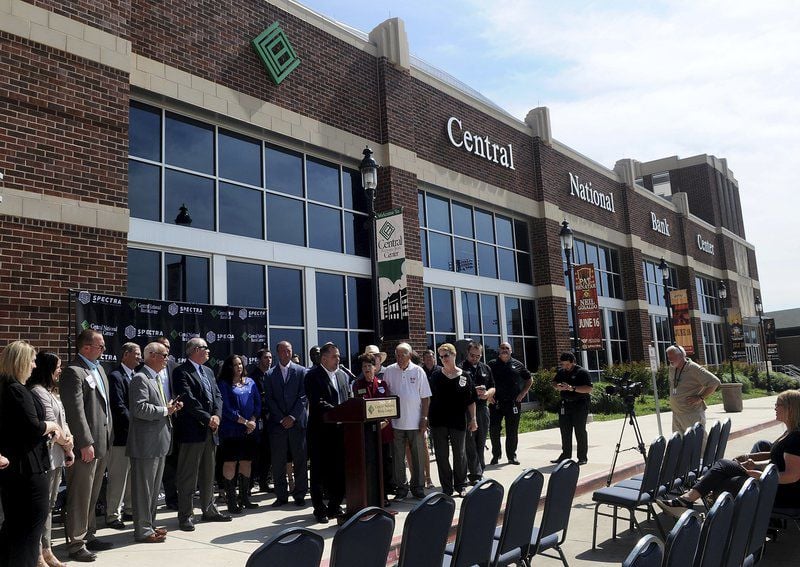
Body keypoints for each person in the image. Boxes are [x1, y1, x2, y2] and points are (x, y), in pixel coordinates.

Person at [658, 389, 800, 516]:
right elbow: (776, 462)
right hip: (775, 487)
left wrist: (759, 475)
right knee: (725, 471)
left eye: (778, 405)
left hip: (782, 495)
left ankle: (689, 499)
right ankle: (690, 499)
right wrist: (755, 464)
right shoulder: (790, 433)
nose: (775, 408)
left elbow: (792, 476)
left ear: (790, 409)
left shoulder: (795, 438)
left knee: (724, 469)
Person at [0, 341, 64, 567]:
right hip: (26, 468)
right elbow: (32, 427)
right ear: (20, 362)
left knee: (16, 527)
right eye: (32, 360)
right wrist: (53, 426)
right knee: (28, 527)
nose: (35, 365)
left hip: (20, 466)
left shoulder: (9, 387)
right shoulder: (16, 390)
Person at [60, 329, 114, 562]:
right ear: (85, 348)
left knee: (93, 493)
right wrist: (84, 442)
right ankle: (76, 543)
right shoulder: (73, 372)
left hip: (103, 442)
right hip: (87, 444)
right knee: (80, 494)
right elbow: (75, 411)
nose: (104, 350)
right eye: (100, 346)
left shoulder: (99, 369)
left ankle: (89, 533)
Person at [172, 337, 231, 531]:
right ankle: (186, 515)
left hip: (211, 430)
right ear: (195, 350)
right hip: (192, 431)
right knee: (188, 475)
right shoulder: (181, 371)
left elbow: (217, 396)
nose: (208, 351)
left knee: (208, 473)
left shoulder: (208, 371)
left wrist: (217, 416)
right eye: (205, 348)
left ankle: (209, 509)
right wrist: (208, 418)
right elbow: (188, 399)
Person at [127, 341, 182, 543]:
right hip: (145, 444)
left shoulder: (156, 378)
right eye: (164, 355)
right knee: (144, 489)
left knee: (153, 488)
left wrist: (170, 407)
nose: (167, 359)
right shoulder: (140, 378)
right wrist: (165, 410)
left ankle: (149, 525)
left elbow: (157, 407)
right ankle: (142, 530)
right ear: (151, 356)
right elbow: (140, 409)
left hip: (159, 442)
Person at [28, 351, 74, 567]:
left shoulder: (51, 392)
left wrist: (69, 444)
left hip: (58, 456)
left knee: (50, 505)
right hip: (46, 457)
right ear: (47, 368)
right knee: (41, 507)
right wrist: (66, 443)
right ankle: (37, 553)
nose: (60, 370)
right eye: (57, 366)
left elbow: (62, 421)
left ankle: (47, 549)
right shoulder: (38, 392)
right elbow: (49, 424)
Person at [304, 342, 351, 523]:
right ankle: (319, 509)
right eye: (334, 356)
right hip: (320, 433)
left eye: (338, 356)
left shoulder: (342, 375)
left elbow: (347, 398)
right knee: (318, 472)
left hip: (340, 432)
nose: (338, 359)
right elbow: (318, 402)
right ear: (324, 358)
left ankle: (334, 505)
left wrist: (348, 412)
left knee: (338, 471)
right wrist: (339, 411)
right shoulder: (312, 376)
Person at [383, 342, 432, 500]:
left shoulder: (418, 371)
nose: (399, 357)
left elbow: (425, 397)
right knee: (398, 457)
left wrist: (424, 418)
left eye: (402, 354)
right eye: (397, 354)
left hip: (415, 422)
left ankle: (417, 487)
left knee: (417, 456)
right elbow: (386, 395)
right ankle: (401, 488)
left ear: (409, 355)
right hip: (396, 424)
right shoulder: (389, 371)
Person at [429, 343, 477, 497]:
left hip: (458, 421)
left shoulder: (465, 376)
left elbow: (471, 400)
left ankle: (461, 485)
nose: (443, 359)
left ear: (454, 355)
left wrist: (473, 419)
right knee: (441, 455)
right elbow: (428, 398)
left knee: (460, 454)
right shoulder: (435, 376)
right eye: (441, 356)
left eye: (446, 355)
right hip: (438, 421)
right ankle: (447, 487)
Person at [264, 340, 309, 508]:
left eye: (289, 351)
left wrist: (292, 416)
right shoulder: (269, 375)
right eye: (283, 351)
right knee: (278, 461)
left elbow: (303, 396)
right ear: (278, 353)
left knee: (300, 460)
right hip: (278, 425)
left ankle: (300, 494)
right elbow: (269, 399)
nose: (286, 354)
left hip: (297, 423)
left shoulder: (301, 371)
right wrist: (282, 418)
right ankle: (281, 496)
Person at [217, 354, 261, 513]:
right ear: (229, 367)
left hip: (250, 430)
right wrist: (244, 422)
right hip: (231, 430)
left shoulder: (250, 382)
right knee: (230, 462)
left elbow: (257, 403)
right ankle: (231, 500)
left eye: (240, 364)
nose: (239, 367)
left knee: (246, 461)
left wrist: (253, 421)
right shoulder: (224, 384)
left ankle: (245, 497)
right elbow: (226, 409)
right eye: (235, 365)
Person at [105, 342, 140, 530]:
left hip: (136, 437)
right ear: (126, 354)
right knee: (118, 477)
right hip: (121, 436)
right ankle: (112, 515)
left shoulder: (137, 376)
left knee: (132, 477)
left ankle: (130, 509)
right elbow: (118, 407)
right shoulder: (116, 376)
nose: (139, 358)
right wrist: (136, 425)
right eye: (136, 354)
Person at [352, 352, 394, 504]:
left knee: (384, 463)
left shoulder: (382, 384)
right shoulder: (358, 385)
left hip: (383, 430)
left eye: (369, 366)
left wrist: (386, 420)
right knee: (369, 464)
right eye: (364, 366)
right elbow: (358, 407)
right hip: (367, 433)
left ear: (375, 367)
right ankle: (370, 495)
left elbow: (389, 405)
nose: (367, 369)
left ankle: (384, 495)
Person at [488, 342, 532, 465]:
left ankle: (512, 456)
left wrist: (523, 394)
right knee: (494, 430)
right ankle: (496, 455)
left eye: (507, 348)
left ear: (511, 350)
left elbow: (529, 379)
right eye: (502, 348)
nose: (504, 350)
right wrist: (488, 396)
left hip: (513, 403)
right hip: (495, 402)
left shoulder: (518, 364)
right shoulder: (492, 364)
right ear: (499, 350)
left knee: (512, 430)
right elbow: (486, 381)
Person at [460, 341, 495, 483]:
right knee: (470, 442)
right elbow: (459, 389)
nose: (475, 358)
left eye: (478, 356)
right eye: (472, 355)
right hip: (467, 409)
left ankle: (480, 470)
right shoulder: (461, 368)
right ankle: (474, 474)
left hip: (482, 408)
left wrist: (487, 394)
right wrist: (473, 391)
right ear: (467, 353)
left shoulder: (485, 368)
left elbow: (493, 387)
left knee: (481, 441)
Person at [667, 344, 721, 434]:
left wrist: (700, 397)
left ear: (681, 356)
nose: (669, 360)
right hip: (676, 414)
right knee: (679, 444)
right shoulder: (672, 368)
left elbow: (715, 382)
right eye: (668, 357)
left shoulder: (693, 368)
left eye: (672, 357)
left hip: (692, 414)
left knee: (698, 443)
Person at [551, 352, 593, 465]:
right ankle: (565, 456)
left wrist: (572, 388)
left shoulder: (582, 372)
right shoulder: (561, 372)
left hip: (580, 405)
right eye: (563, 364)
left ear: (573, 362)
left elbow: (588, 388)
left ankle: (582, 457)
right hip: (565, 405)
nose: (565, 367)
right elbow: (554, 382)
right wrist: (557, 387)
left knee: (580, 431)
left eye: (567, 365)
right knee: (565, 431)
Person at [153, 336, 179, 510]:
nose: (166, 350)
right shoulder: (145, 368)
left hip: (173, 418)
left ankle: (172, 498)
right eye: (163, 346)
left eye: (168, 347)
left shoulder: (173, 365)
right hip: (153, 419)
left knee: (172, 461)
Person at [248, 348, 273, 493]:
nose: (268, 360)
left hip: (272, 419)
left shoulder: (271, 375)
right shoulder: (253, 377)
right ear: (259, 360)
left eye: (270, 358)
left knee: (267, 453)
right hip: (258, 419)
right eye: (265, 358)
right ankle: (250, 484)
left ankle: (264, 481)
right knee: (254, 453)